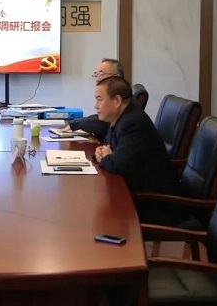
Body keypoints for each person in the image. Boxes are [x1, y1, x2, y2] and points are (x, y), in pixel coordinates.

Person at [93, 76, 177, 224]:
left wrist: (106, 157)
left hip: (152, 205)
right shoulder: (121, 117)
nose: (95, 105)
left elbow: (118, 164)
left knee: (97, 215)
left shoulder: (132, 123)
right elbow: (109, 148)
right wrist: (102, 152)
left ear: (117, 101)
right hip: (135, 193)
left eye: (99, 100)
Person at [64, 58, 124, 140]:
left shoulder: (123, 102)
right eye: (96, 75)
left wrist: (74, 124)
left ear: (117, 77)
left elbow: (102, 123)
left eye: (102, 74)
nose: (97, 79)